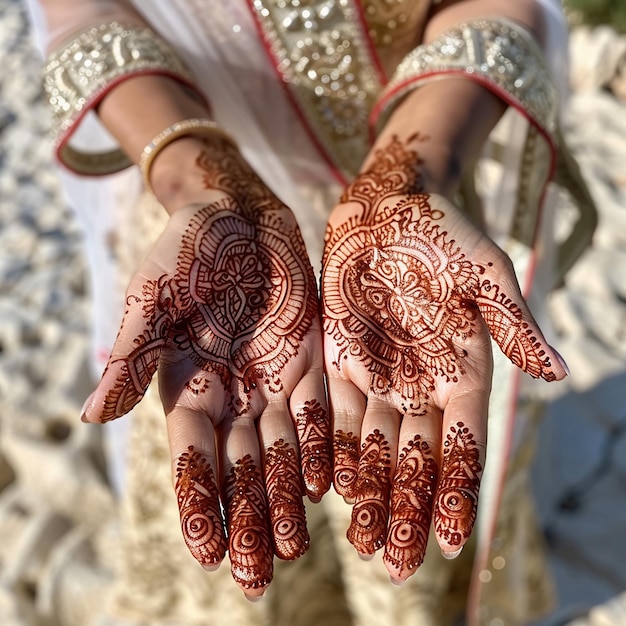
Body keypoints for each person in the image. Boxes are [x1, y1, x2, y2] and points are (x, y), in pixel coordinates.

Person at [29, 0, 594, 624]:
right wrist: (197, 180)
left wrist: (404, 173)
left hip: (413, 232)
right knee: (234, 483)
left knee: (409, 490)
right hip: (211, 262)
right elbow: (88, 17)